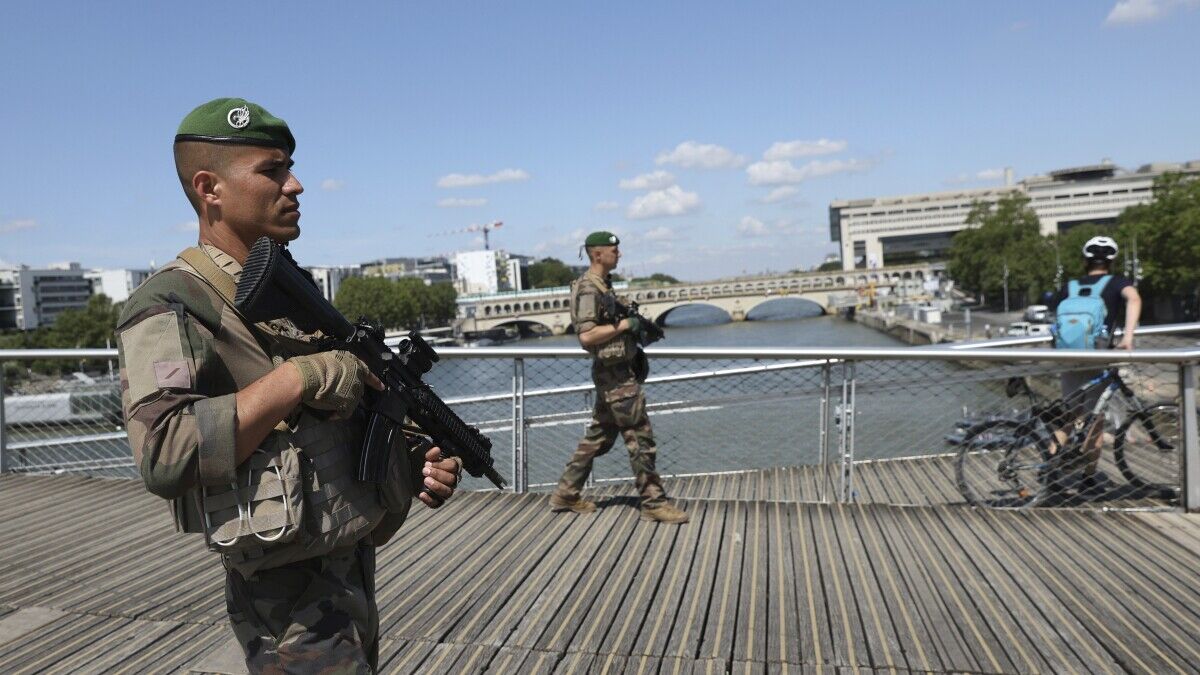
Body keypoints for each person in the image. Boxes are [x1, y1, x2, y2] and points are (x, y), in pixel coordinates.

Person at [116, 98, 462, 673]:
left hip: (342, 562)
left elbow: (328, 418)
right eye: (272, 170)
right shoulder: (173, 301)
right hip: (285, 597)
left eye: (290, 166)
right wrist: (299, 376)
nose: (295, 184)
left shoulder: (286, 285)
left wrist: (408, 456)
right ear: (210, 188)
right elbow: (166, 454)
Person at [548, 231, 688, 524]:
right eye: (614, 250)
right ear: (598, 254)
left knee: (599, 436)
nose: (619, 254)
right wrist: (625, 324)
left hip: (613, 373)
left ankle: (566, 492)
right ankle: (653, 501)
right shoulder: (590, 288)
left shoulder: (602, 286)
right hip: (616, 377)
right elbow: (586, 336)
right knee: (640, 436)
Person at [1049, 235, 1142, 494]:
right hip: (1097, 358)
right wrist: (1128, 337)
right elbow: (1134, 299)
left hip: (1067, 358)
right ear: (1111, 261)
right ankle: (1088, 478)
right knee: (1095, 420)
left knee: (1068, 417)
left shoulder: (1070, 286)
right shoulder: (1116, 283)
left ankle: (1050, 469)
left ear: (1085, 261)